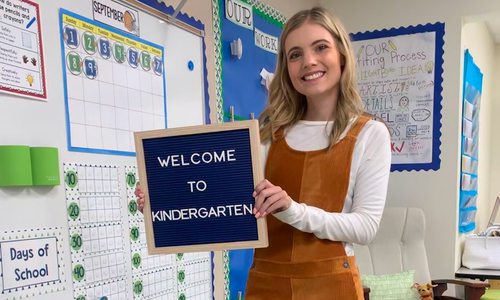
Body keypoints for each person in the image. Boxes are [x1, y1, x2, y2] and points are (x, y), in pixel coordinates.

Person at [136, 6, 391, 299]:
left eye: (321, 47)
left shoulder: (369, 133)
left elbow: (365, 228)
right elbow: (223, 201)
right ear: (286, 67)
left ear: (342, 55)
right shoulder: (268, 130)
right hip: (266, 284)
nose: (308, 61)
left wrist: (293, 211)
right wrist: (163, 205)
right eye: (295, 54)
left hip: (333, 287)